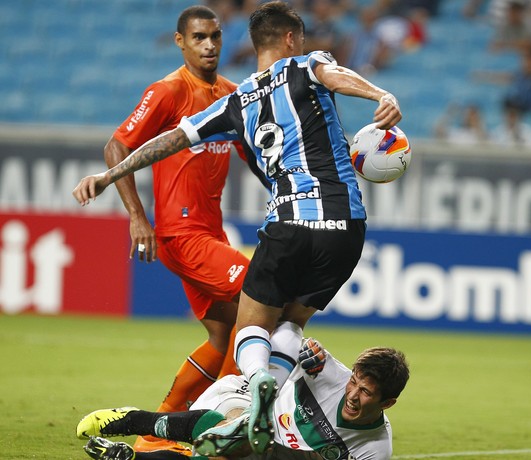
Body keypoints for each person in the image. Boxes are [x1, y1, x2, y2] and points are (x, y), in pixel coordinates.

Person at [72, 1, 403, 455]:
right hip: (346, 222)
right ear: (291, 38)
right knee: (292, 321)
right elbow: (336, 74)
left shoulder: (234, 101)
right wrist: (381, 95)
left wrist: (108, 176)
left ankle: (254, 386)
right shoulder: (307, 66)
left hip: (289, 220)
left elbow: (168, 141)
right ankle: (239, 402)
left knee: (251, 325)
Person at [99, 5, 251, 454]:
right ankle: (211, 424)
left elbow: (255, 155)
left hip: (211, 234)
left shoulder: (230, 95)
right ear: (180, 41)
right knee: (260, 305)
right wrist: (136, 216)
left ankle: (155, 433)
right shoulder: (168, 91)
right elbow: (116, 145)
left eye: (215, 37)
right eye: (199, 37)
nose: (209, 45)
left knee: (226, 336)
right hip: (181, 235)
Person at [76, 340, 410, 460]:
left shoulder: (375, 449)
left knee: (229, 453)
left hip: (272, 452)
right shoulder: (326, 368)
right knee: (237, 431)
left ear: (387, 403)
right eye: (354, 381)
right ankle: (135, 420)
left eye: (365, 393)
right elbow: (280, 337)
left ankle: (128, 458)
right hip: (239, 398)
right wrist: (300, 345)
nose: (352, 394)